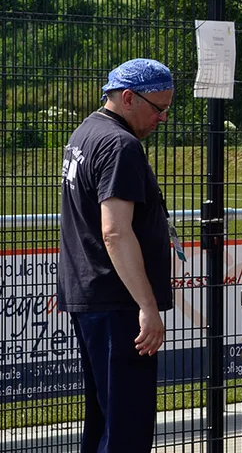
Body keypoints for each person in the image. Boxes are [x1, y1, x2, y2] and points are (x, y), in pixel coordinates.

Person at [58, 58, 175, 453]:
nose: (162, 118)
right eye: (158, 108)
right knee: (126, 426)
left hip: (93, 295)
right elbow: (114, 230)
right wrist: (147, 306)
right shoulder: (120, 145)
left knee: (104, 421)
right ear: (128, 98)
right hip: (117, 302)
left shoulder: (85, 132)